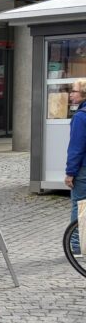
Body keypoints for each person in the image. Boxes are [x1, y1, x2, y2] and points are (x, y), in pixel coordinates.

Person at [65, 80, 86, 250]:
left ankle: (77, 246)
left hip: (83, 169)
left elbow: (76, 148)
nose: (71, 94)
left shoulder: (80, 117)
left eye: (74, 91)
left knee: (79, 204)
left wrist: (70, 172)